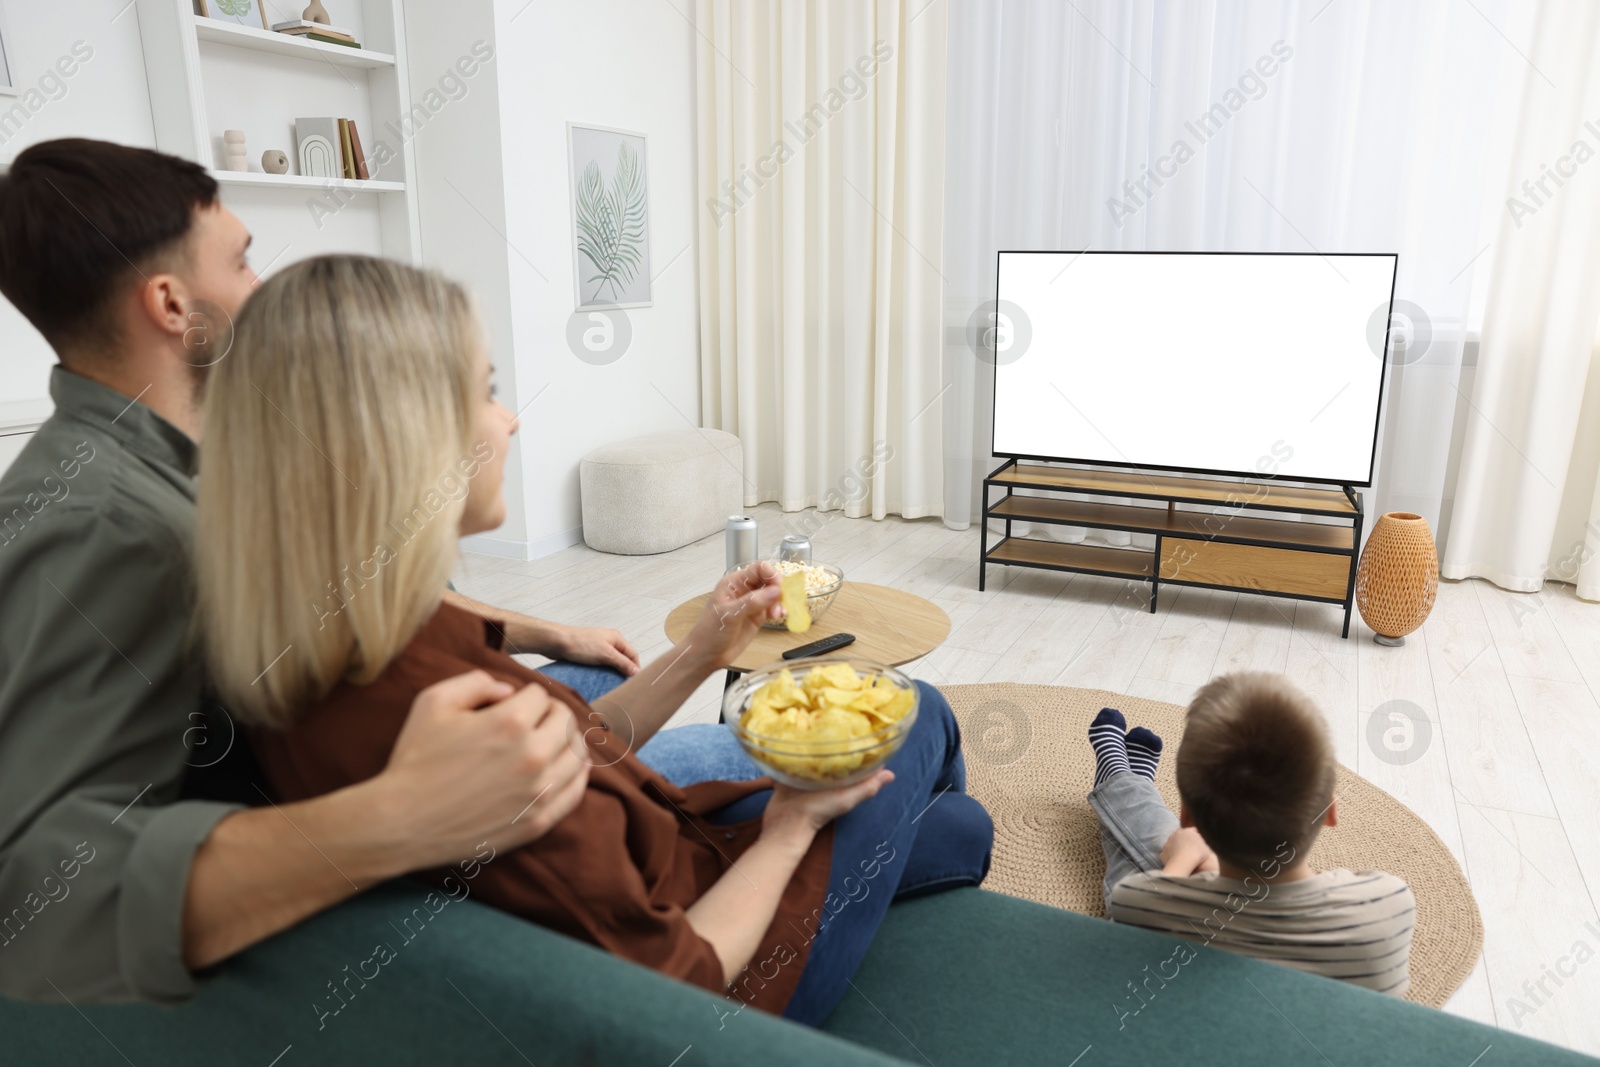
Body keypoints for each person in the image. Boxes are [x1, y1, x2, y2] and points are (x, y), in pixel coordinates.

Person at [0, 138, 716, 1003]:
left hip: (352, 735)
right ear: (170, 302)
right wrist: (393, 817)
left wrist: (540, 628)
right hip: (352, 812)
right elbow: (33, 899)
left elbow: (347, 582)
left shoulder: (201, 455)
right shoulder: (100, 523)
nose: (262, 286)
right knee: (857, 746)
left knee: (583, 683)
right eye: (243, 259)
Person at [195, 254, 994, 1024]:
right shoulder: (432, 713)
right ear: (402, 442)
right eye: (487, 392)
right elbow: (681, 990)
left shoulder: (356, 629)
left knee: (961, 830)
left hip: (679, 853)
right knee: (919, 711)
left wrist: (703, 651)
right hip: (736, 985)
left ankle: (910, 835)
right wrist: (789, 832)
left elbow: (586, 744)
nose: (508, 419)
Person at [1085, 672, 1415, 996]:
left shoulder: (1138, 902)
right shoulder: (1391, 902)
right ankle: (1124, 776)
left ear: (1187, 817)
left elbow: (1129, 908)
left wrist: (1185, 860)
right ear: (1330, 812)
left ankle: (1119, 775)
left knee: (1149, 856)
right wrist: (1210, 867)